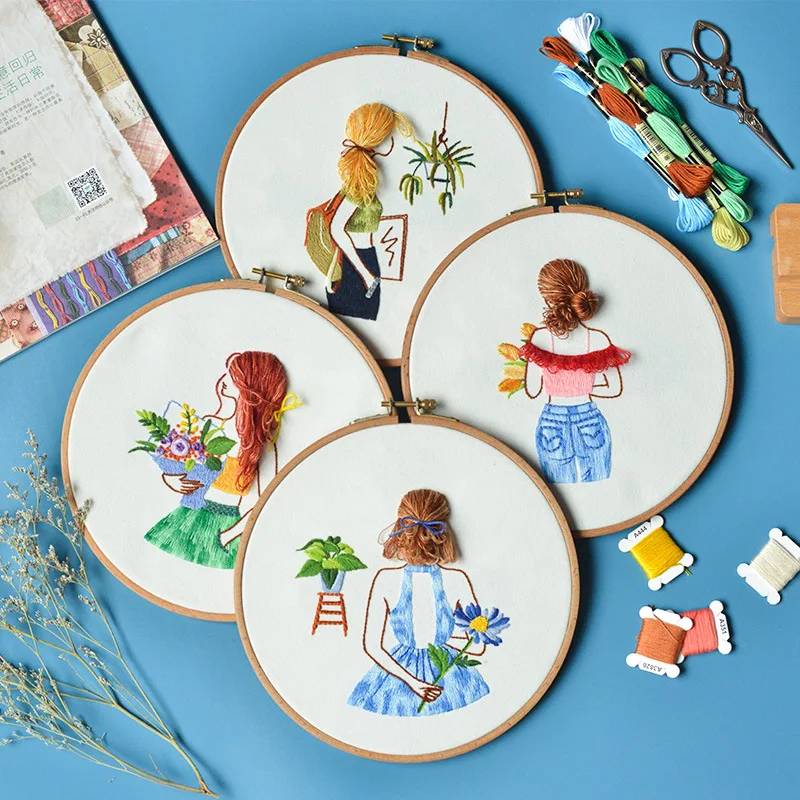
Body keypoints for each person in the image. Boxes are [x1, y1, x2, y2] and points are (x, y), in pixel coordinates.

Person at [348, 489, 490, 716]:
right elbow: (478, 644)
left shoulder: (385, 579)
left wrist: (414, 682)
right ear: (444, 531)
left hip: (399, 674)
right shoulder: (457, 579)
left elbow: (372, 645)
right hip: (447, 677)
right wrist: (445, 642)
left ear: (399, 529)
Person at [145, 351, 290, 569]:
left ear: (250, 389)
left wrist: (227, 536)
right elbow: (187, 466)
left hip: (224, 524)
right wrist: (170, 479)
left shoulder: (262, 444)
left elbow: (264, 500)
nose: (224, 379)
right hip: (189, 513)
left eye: (233, 376)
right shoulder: (211, 424)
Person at [520, 258, 631, 484]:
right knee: (599, 481)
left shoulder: (540, 338)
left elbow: (532, 388)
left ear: (547, 299)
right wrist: (583, 384)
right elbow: (613, 389)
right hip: (589, 416)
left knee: (557, 487)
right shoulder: (598, 339)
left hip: (552, 419)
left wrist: (559, 382)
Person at [322, 103, 413, 321]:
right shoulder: (359, 185)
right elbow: (336, 228)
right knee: (354, 324)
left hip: (362, 261)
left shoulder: (363, 181)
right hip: (358, 264)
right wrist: (365, 273)